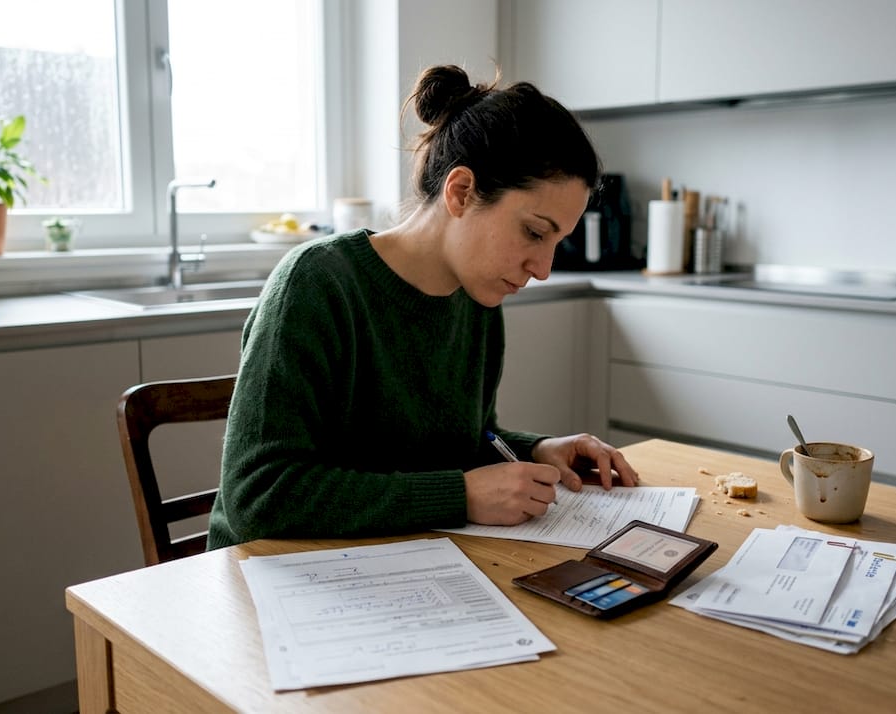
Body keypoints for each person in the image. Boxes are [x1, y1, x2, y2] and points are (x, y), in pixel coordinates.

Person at [207, 65, 639, 547]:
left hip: (389, 566)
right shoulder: (316, 284)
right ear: (461, 191)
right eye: (534, 233)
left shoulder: (477, 297)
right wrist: (459, 495)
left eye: (555, 241)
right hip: (267, 583)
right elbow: (257, 497)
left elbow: (460, 445)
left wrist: (536, 450)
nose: (542, 268)